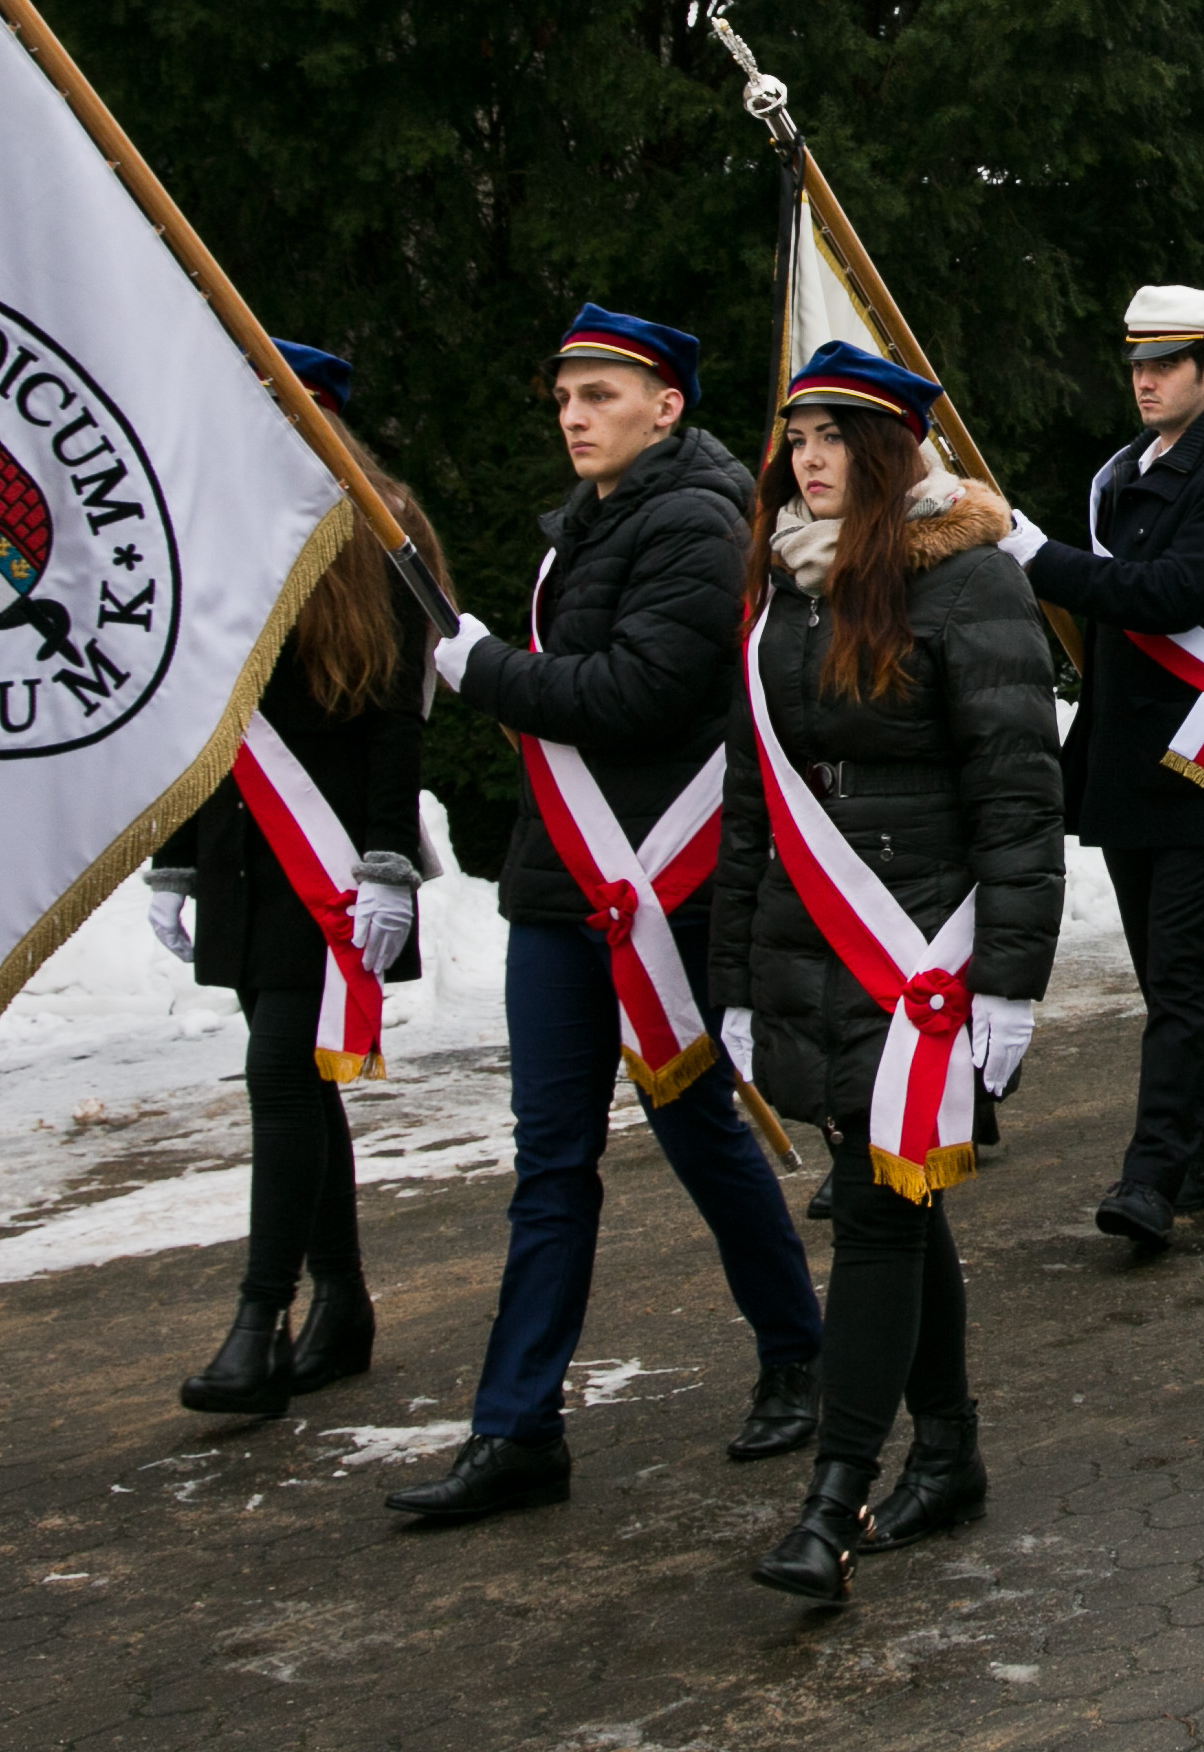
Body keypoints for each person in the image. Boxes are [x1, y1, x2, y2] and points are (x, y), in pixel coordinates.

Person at [394, 308, 828, 1526]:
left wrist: (482, 669)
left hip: (660, 888)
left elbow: (640, 691)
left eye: (600, 395)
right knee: (550, 1159)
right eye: (565, 398)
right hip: (561, 883)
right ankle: (517, 1427)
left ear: (666, 406)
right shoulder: (587, 524)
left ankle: (799, 1352)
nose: (575, 416)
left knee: (696, 1131)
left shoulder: (698, 519)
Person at [712, 343, 1062, 1605]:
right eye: (796, 437)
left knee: (874, 1209)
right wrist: (733, 982)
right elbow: (751, 801)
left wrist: (1010, 977)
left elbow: (1018, 795)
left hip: (927, 954)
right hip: (812, 942)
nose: (808, 460)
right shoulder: (784, 585)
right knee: (902, 1201)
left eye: (834, 438)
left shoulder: (970, 579)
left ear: (888, 452)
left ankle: (832, 1500)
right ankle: (950, 1450)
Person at [144, 341, 446, 1418]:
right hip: (241, 851)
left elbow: (396, 726)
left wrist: (388, 864)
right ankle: (342, 1301)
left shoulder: (380, 531)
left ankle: (258, 1323)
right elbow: (195, 717)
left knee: (279, 1076)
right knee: (302, 1083)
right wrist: (175, 857)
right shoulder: (216, 533)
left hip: (333, 864)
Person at [1000, 287, 1204, 1255]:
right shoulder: (1125, 470)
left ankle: (1152, 1176)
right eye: (1137, 365)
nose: (1146, 381)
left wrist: (1034, 553)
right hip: (1131, 758)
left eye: (1166, 365)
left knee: (1181, 973)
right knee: (1173, 978)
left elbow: (1170, 595)